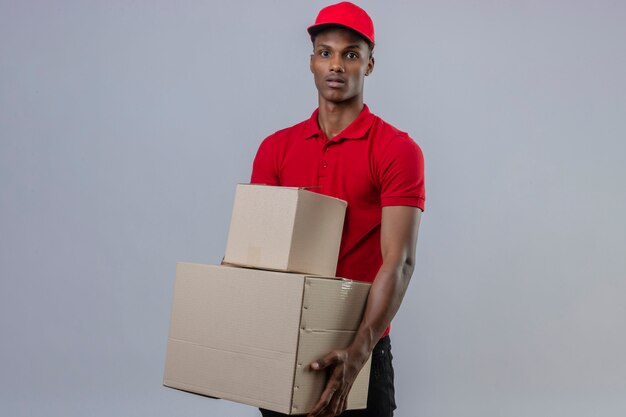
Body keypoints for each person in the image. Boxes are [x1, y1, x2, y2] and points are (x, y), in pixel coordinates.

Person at [250, 2, 425, 416]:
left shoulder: (397, 150)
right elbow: (258, 252)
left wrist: (359, 350)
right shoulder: (275, 148)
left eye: (351, 54)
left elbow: (398, 261)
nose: (337, 65)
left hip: (361, 346)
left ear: (370, 65)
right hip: (287, 344)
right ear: (311, 60)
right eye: (325, 52)